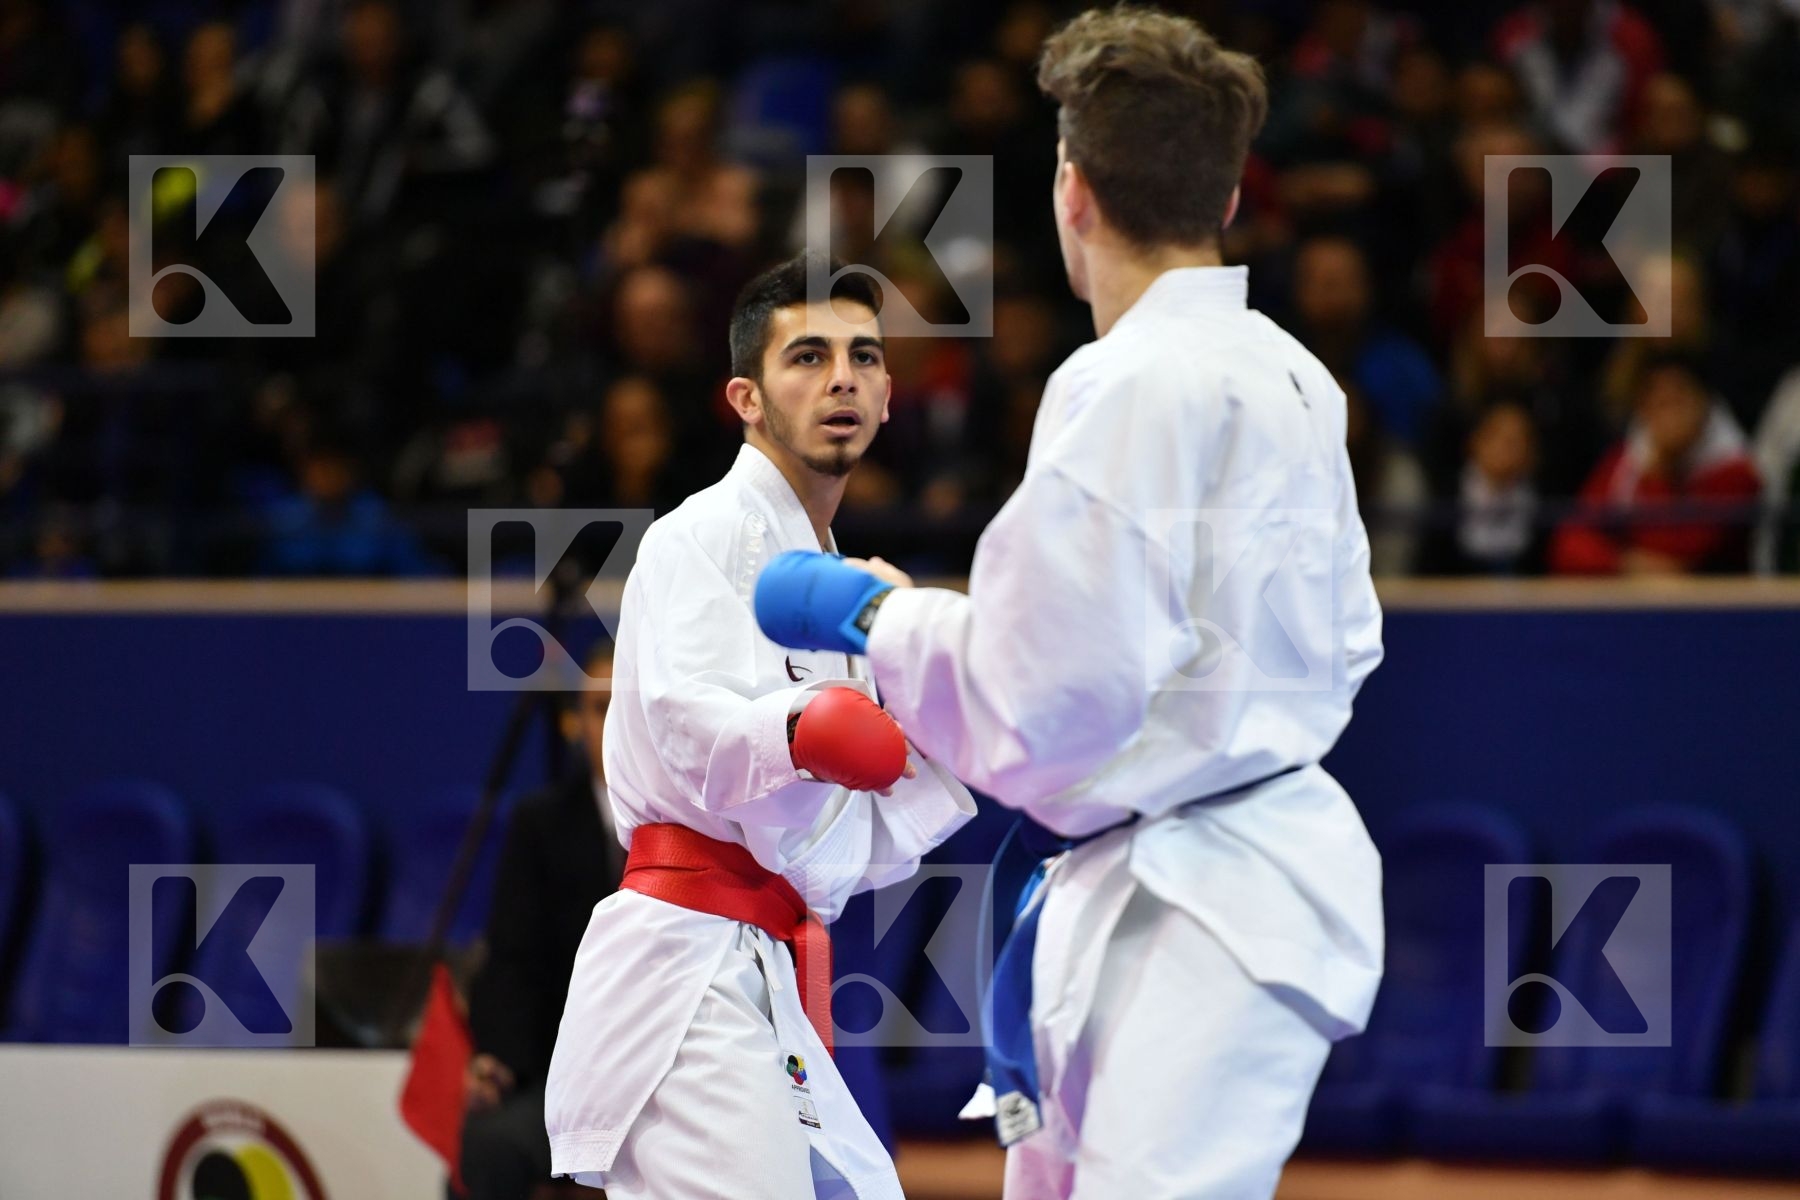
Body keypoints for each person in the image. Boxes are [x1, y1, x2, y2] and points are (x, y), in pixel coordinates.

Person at [754, 10, 1384, 1198]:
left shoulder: (1124, 381)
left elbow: (1045, 702)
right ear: (1230, 198)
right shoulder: (1292, 370)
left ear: (1072, 192)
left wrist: (872, 617)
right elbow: (1349, 645)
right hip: (1195, 870)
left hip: (1202, 900)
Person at [542, 253, 975, 1200]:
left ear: (892, 394)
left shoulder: (839, 593)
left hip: (765, 959)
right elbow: (689, 727)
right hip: (684, 964)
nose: (842, 379)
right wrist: (810, 728)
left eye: (864, 358)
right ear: (745, 396)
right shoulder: (695, 536)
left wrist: (924, 735)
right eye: (808, 357)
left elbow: (847, 850)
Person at [461, 644, 624, 1200]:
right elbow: (511, 958)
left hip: (675, 1075)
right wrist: (498, 1060)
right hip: (565, 1078)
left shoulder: (694, 819)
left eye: (630, 706)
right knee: (490, 1144)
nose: (616, 724)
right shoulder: (540, 825)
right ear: (573, 723)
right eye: (601, 709)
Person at [1550, 350, 1762, 575]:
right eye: (1658, 402)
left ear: (1705, 403)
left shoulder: (1735, 470)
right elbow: (1568, 545)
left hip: (1720, 605)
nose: (1668, 413)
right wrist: (1625, 564)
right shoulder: (1626, 462)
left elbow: (1678, 554)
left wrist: (1659, 471)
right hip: (1637, 602)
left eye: (1677, 399)